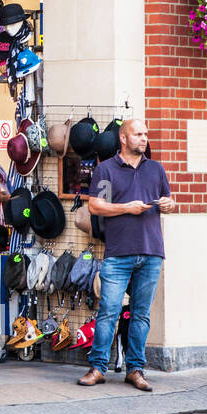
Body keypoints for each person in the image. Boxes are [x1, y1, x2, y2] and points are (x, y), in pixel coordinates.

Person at [79, 119, 176, 391]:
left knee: (141, 314)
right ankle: (98, 368)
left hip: (151, 251)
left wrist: (169, 204)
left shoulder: (155, 169)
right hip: (119, 252)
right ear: (123, 138)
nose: (144, 139)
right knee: (108, 312)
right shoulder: (107, 169)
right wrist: (126, 208)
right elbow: (97, 206)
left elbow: (167, 199)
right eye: (138, 134)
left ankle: (136, 369)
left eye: (146, 134)